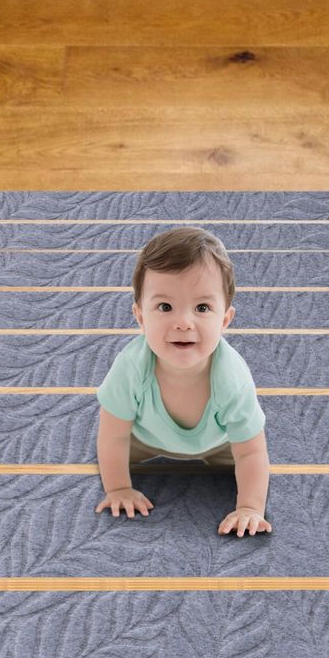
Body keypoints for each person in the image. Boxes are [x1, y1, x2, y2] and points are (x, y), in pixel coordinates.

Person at [94, 227, 272, 537]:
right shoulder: (131, 367)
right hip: (143, 438)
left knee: (249, 461)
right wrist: (119, 488)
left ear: (225, 319)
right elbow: (113, 435)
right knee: (105, 448)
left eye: (202, 308)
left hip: (220, 444)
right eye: (165, 307)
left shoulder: (232, 378)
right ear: (140, 317)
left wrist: (250, 508)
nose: (183, 322)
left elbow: (251, 452)